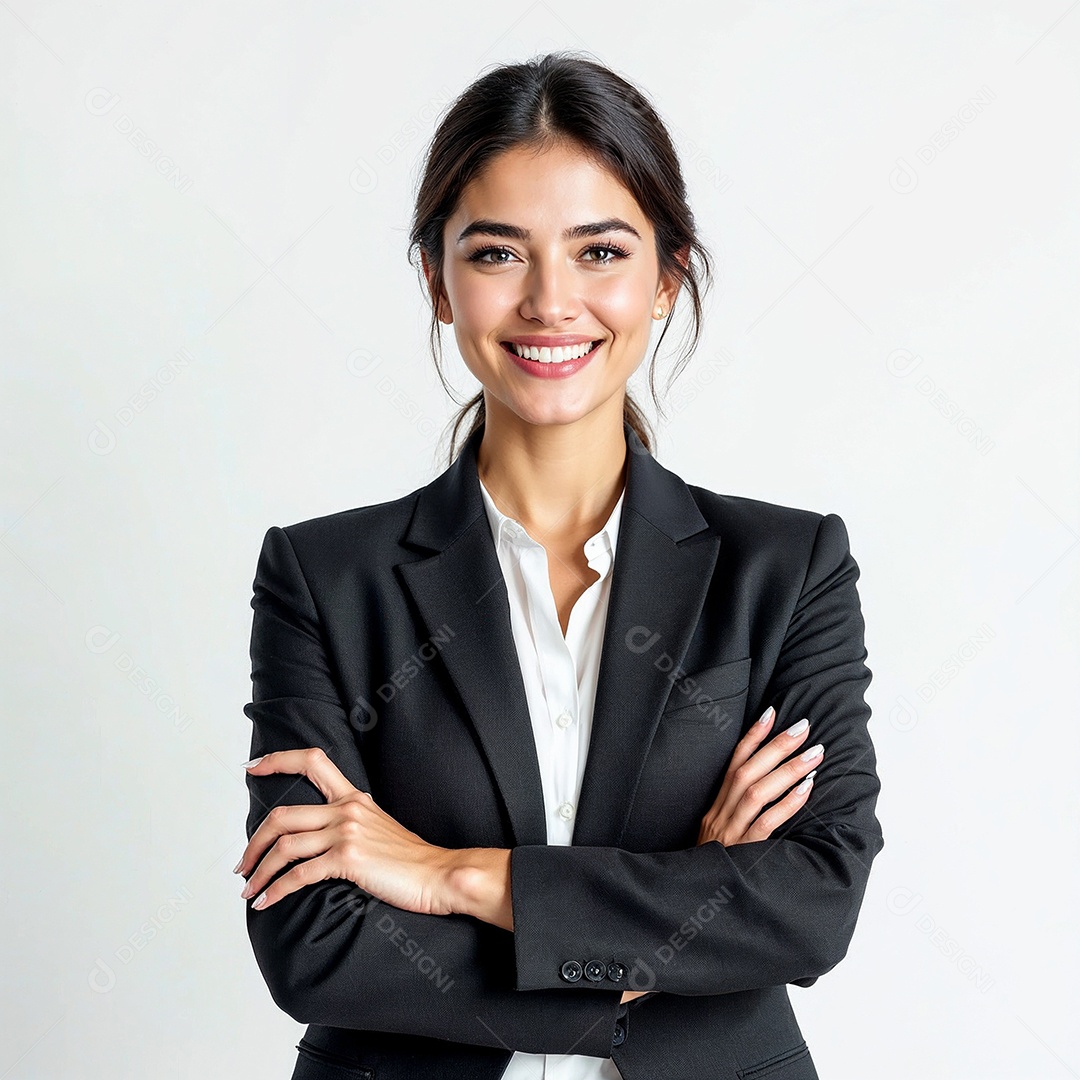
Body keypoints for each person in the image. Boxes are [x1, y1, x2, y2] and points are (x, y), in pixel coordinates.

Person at [236, 52, 884, 1080]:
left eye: (600, 252)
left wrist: (450, 877)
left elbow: (810, 904)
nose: (550, 301)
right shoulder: (326, 578)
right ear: (437, 281)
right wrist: (686, 902)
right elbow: (318, 946)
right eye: (497, 254)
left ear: (666, 277)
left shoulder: (786, 569)